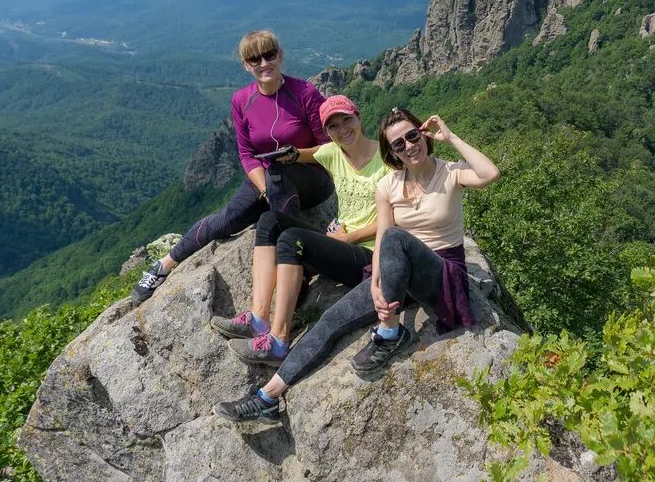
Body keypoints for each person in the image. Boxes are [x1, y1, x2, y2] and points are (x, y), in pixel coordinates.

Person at [214, 107, 499, 423]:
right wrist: (377, 283)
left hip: (440, 273)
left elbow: (490, 174)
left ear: (424, 135)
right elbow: (381, 245)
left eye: (412, 136)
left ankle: (390, 333)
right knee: (331, 319)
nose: (408, 147)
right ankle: (268, 396)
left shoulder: (451, 172)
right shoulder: (388, 185)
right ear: (391, 152)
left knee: (395, 236)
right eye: (398, 145)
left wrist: (450, 136)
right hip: (397, 273)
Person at [130, 30, 333, 304]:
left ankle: (296, 277)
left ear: (280, 55)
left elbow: (330, 148)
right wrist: (264, 189)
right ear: (245, 65)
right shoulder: (242, 100)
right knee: (227, 219)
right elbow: (247, 154)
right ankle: (163, 265)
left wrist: (296, 156)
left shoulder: (304, 93)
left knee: (278, 183)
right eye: (254, 59)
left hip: (311, 178)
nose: (263, 64)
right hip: (267, 180)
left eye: (269, 55)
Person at [211, 94, 388, 367]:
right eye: (333, 126)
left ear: (359, 117)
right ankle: (258, 319)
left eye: (347, 120)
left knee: (293, 239)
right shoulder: (332, 152)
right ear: (327, 132)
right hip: (340, 243)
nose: (342, 129)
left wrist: (347, 237)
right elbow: (302, 154)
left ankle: (278, 342)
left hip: (369, 255)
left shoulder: (386, 157)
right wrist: (288, 155)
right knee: (271, 220)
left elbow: (398, 217)